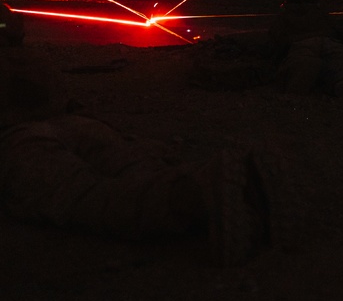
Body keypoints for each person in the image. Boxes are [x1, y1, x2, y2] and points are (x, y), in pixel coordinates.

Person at [0, 48, 282, 267]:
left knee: (87, 199)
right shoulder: (23, 50)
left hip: (16, 137)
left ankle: (196, 193)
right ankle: (231, 193)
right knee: (134, 166)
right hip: (73, 120)